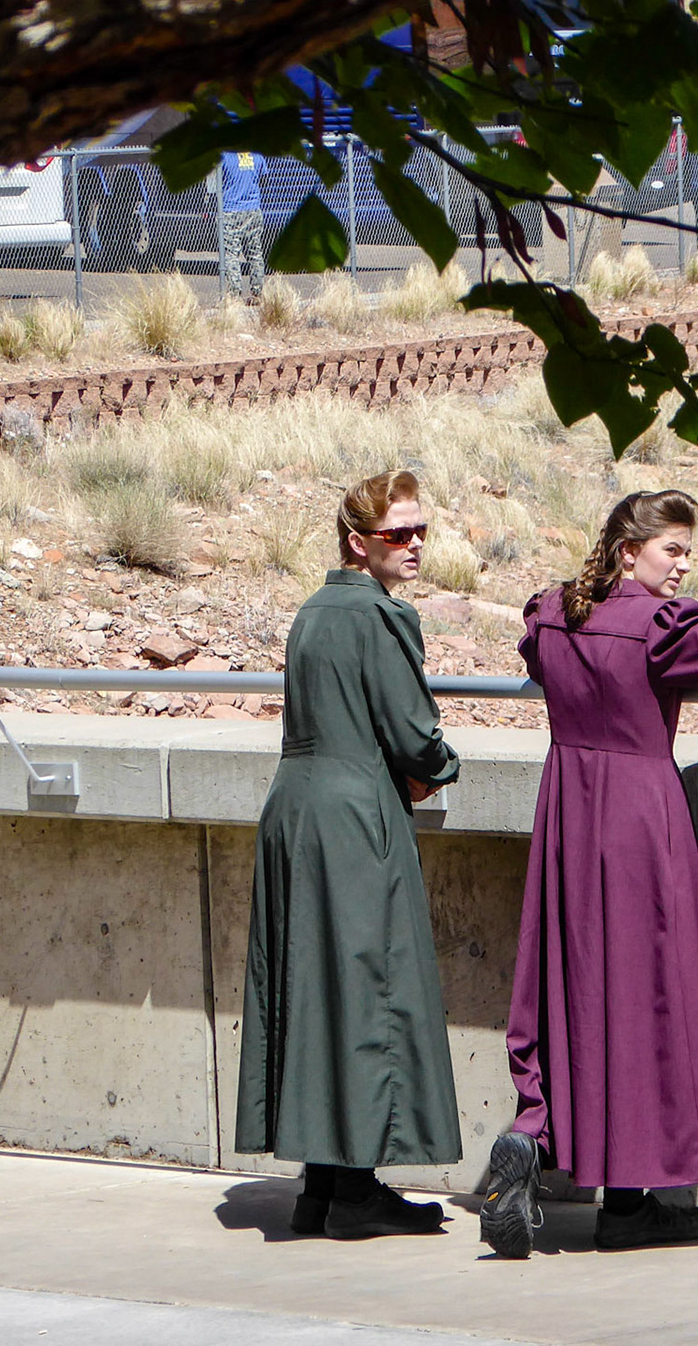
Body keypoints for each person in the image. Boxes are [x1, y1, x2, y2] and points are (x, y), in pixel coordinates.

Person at [481, 490, 698, 1257]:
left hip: (569, 813)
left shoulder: (554, 614)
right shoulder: (663, 629)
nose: (685, 563)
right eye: (672, 549)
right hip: (642, 817)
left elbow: (535, 655)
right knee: (648, 996)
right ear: (627, 551)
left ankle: (538, 1138)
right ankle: (628, 1201)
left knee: (572, 990)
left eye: (688, 550)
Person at [235, 469, 462, 1239]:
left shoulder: (313, 611)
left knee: (313, 986)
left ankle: (323, 1187)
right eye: (399, 534)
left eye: (421, 530)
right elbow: (412, 735)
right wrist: (440, 768)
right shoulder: (377, 615)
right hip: (354, 814)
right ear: (358, 541)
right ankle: (356, 1190)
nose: (416, 545)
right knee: (369, 985)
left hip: (294, 808)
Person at [220, 149, 266, 302]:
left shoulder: (224, 157)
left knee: (231, 254)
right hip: (253, 209)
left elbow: (215, 182)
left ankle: (234, 294)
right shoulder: (257, 156)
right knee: (255, 253)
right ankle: (257, 291)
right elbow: (263, 179)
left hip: (230, 210)